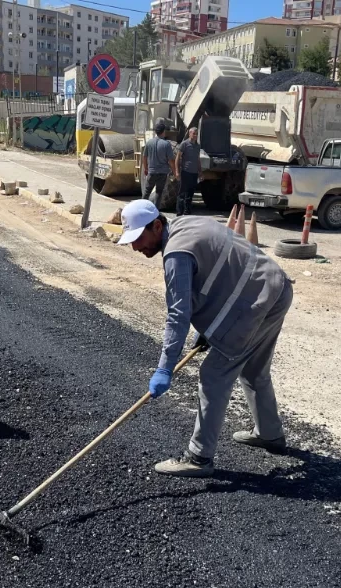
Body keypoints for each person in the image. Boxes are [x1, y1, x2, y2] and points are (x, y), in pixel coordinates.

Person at [117, 199, 294, 478]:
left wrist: (165, 367)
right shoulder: (186, 223)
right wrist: (211, 328)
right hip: (276, 288)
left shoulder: (176, 253)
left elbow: (178, 314)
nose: (136, 247)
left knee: (214, 374)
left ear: (157, 225)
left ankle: (199, 457)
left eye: (138, 238)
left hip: (256, 302)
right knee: (254, 369)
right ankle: (270, 434)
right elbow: (217, 275)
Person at [141, 119, 174, 210]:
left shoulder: (149, 143)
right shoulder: (166, 144)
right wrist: (175, 171)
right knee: (159, 193)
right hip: (162, 173)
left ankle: (141, 208)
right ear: (163, 132)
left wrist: (146, 169)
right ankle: (155, 212)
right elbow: (171, 160)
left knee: (147, 192)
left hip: (152, 172)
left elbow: (144, 157)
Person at [174, 127, 201, 216]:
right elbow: (178, 158)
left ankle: (187, 211)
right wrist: (177, 172)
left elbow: (198, 159)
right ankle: (179, 211)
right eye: (194, 134)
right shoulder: (184, 144)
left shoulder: (197, 146)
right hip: (185, 172)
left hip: (194, 173)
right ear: (189, 134)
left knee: (190, 193)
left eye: (197, 134)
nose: (195, 135)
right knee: (182, 192)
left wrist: (200, 171)